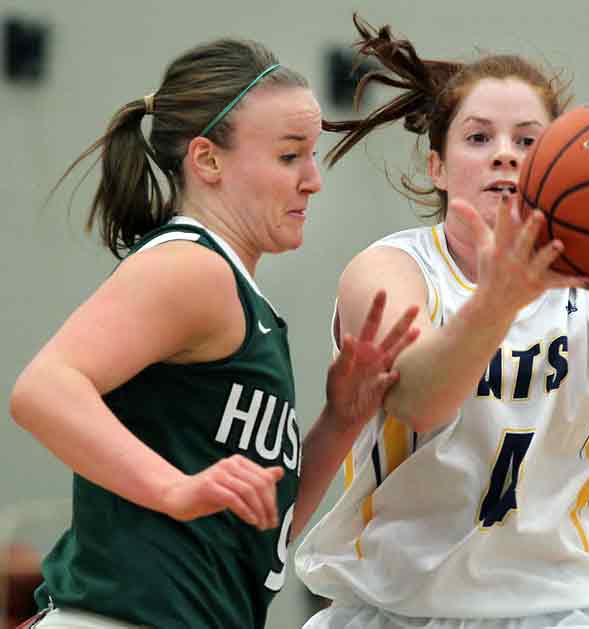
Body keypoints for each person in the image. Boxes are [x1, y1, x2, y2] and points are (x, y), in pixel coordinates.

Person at [293, 14, 589, 629]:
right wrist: (501, 300)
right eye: (478, 137)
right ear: (437, 167)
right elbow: (418, 400)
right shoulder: (391, 269)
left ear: (557, 163)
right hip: (395, 605)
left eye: (527, 141)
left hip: (562, 607)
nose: (504, 153)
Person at [8, 37, 419, 629]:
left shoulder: (239, 299)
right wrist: (173, 489)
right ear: (207, 160)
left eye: (311, 156)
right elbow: (43, 390)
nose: (313, 180)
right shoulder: (193, 268)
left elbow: (260, 527)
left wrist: (341, 419)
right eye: (289, 156)